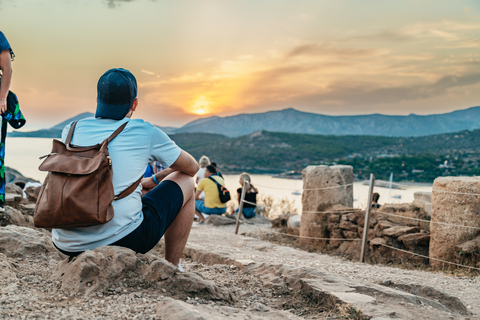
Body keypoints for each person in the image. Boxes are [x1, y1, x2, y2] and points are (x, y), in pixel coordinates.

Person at [51, 68, 199, 270]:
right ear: (134, 103)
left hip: (65, 243)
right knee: (188, 181)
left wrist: (146, 183)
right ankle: (172, 267)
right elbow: (192, 167)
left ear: (97, 100)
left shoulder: (71, 129)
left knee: (138, 191)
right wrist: (157, 179)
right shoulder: (144, 131)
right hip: (125, 239)